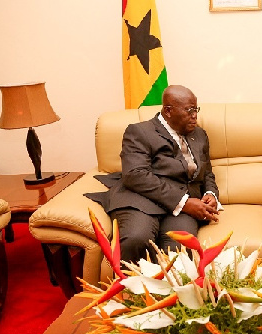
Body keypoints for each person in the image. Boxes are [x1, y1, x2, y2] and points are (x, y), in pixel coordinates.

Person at [87, 86, 220, 263]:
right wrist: (185, 202)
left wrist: (210, 194)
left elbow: (207, 172)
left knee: (179, 246)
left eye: (196, 109)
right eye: (189, 110)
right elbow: (135, 174)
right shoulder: (139, 132)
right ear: (168, 110)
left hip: (181, 209)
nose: (195, 115)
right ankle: (132, 290)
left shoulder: (200, 135)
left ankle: (172, 290)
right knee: (136, 238)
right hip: (142, 199)